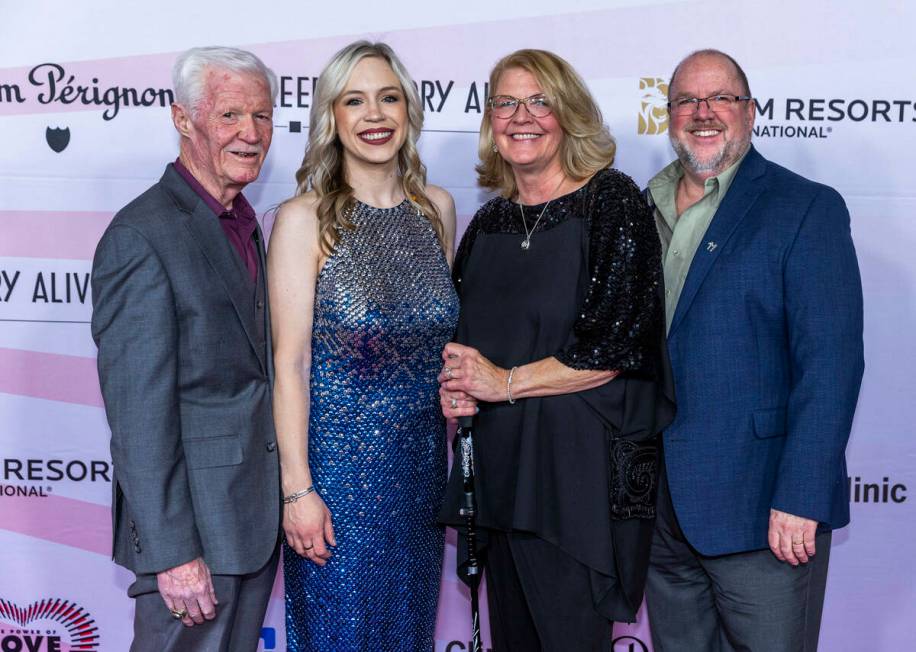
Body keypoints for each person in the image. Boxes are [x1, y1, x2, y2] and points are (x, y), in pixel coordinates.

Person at [437, 49, 675, 652]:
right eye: (506, 102)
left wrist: (504, 382)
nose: (523, 116)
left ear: (569, 113)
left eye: (539, 100)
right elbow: (466, 347)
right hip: (499, 474)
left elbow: (616, 345)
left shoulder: (610, 201)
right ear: (490, 120)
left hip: (575, 484)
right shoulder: (489, 223)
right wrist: (460, 388)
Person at [644, 49, 864, 652]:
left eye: (721, 98)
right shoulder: (641, 207)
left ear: (751, 112)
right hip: (660, 514)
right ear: (668, 116)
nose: (703, 111)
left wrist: (801, 495)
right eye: (686, 99)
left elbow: (831, 364)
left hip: (763, 511)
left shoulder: (804, 207)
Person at [268, 41, 458, 651]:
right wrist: (297, 489)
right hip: (336, 481)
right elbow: (290, 365)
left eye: (388, 98)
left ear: (408, 110)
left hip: (422, 478)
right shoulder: (305, 218)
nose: (374, 115)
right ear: (332, 116)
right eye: (355, 100)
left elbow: (436, 345)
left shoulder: (438, 211)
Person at [91, 46, 280, 651]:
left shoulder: (245, 221)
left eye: (262, 116)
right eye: (229, 116)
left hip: (250, 524)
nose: (250, 134)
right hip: (192, 539)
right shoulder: (141, 236)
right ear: (182, 120)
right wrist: (173, 554)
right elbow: (139, 417)